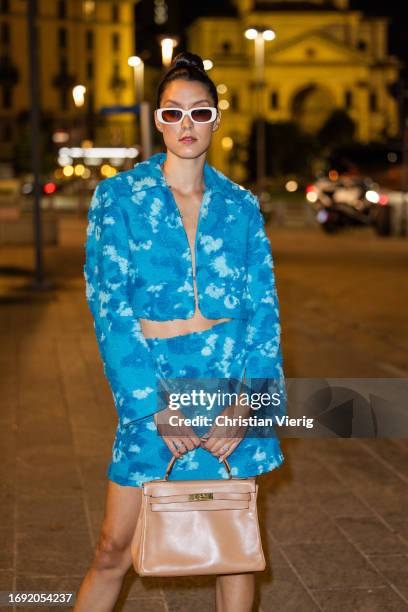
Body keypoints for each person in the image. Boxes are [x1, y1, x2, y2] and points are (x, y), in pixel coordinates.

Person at [74, 51, 286, 612]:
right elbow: (109, 308)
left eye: (200, 111)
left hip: (228, 389)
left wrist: (249, 405)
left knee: (234, 550)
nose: (186, 124)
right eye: (173, 113)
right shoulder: (118, 198)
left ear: (217, 118)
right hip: (156, 389)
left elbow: (264, 313)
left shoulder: (241, 206)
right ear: (157, 120)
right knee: (113, 547)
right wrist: (152, 407)